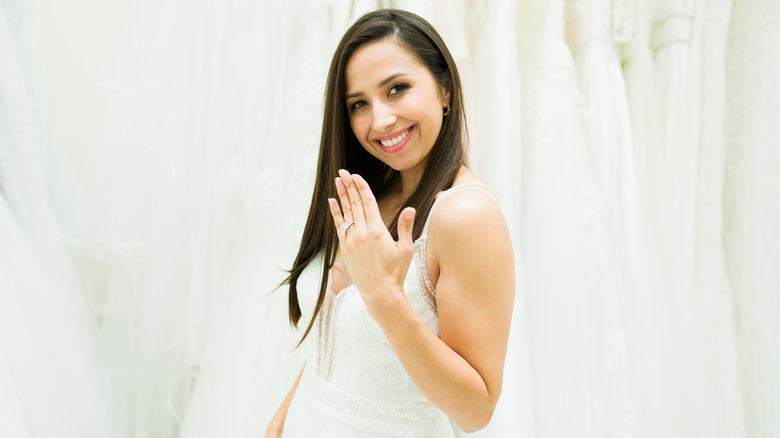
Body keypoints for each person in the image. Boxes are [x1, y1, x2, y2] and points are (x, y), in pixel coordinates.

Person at [265, 9, 515, 437]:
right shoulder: (369, 193)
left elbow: (476, 411)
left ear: (445, 88)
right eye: (359, 104)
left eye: (397, 89)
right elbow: (328, 358)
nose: (380, 120)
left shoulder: (464, 215)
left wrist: (385, 299)